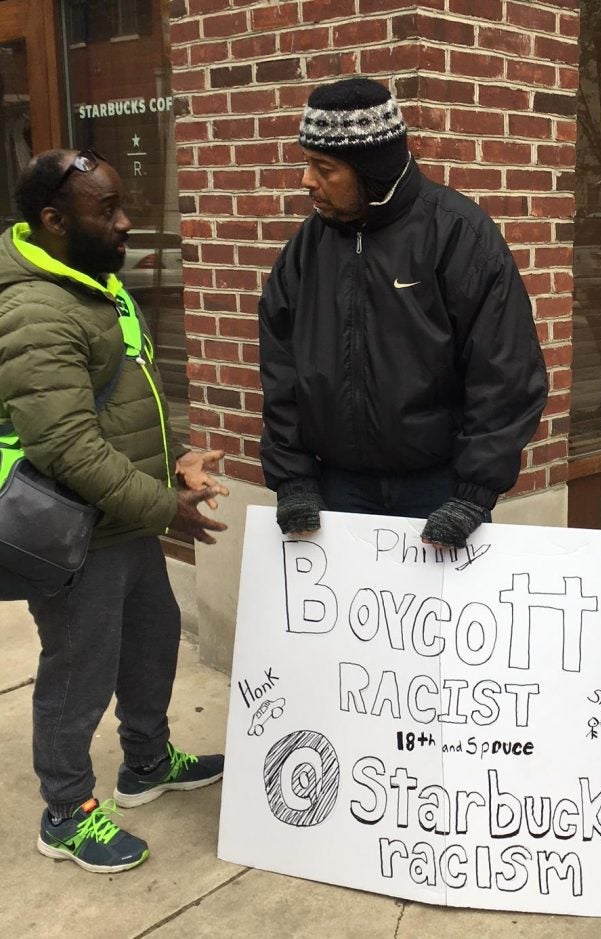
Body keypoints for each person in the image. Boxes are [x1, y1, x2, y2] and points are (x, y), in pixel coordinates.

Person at [0, 149, 230, 873]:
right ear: (54, 221)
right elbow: (67, 444)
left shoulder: (94, 284)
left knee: (153, 637)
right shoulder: (35, 308)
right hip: (74, 534)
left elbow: (128, 402)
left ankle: (146, 760)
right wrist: (167, 506)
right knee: (78, 670)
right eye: (109, 211)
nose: (127, 221)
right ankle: (66, 811)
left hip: (121, 519)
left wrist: (176, 461)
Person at [258, 77, 548, 545]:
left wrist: (474, 492)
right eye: (307, 164)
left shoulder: (458, 235)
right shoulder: (305, 251)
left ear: (371, 169)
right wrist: (293, 478)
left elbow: (505, 371)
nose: (306, 181)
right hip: (337, 488)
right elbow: (281, 372)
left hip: (440, 489)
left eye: (323, 167)